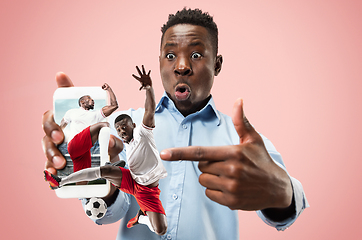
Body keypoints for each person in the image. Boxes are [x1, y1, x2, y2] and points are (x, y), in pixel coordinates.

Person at [42, 8, 308, 240]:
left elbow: (284, 207)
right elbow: (107, 214)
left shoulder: (242, 142)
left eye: (196, 55)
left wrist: (283, 193)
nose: (181, 66)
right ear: (159, 63)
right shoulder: (122, 127)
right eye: (170, 56)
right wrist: (82, 154)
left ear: (217, 65)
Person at [44, 66, 168, 235]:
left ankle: (141, 218)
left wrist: (149, 89)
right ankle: (60, 181)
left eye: (124, 127)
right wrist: (57, 135)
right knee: (103, 170)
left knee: (160, 229)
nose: (122, 131)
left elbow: (148, 111)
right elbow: (62, 126)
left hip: (147, 189)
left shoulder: (143, 132)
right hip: (131, 181)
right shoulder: (119, 139)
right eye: (118, 129)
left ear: (134, 125)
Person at [44, 83, 122, 189]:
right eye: (89, 99)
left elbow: (114, 106)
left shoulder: (95, 114)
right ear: (82, 102)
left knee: (83, 178)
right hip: (74, 144)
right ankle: (105, 163)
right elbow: (61, 127)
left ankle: (59, 183)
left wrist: (109, 89)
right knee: (104, 125)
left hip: (84, 150)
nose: (92, 100)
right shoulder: (72, 112)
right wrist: (53, 139)